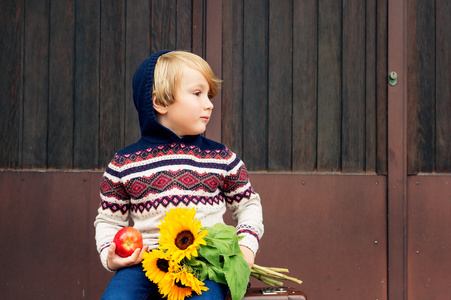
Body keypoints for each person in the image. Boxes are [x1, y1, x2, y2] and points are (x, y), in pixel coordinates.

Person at [94, 50, 264, 300]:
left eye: (208, 95)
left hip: (204, 263)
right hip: (145, 263)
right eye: (197, 94)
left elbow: (248, 205)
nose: (209, 103)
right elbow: (109, 221)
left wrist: (245, 247)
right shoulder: (124, 164)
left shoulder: (221, 158)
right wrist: (111, 253)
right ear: (160, 102)